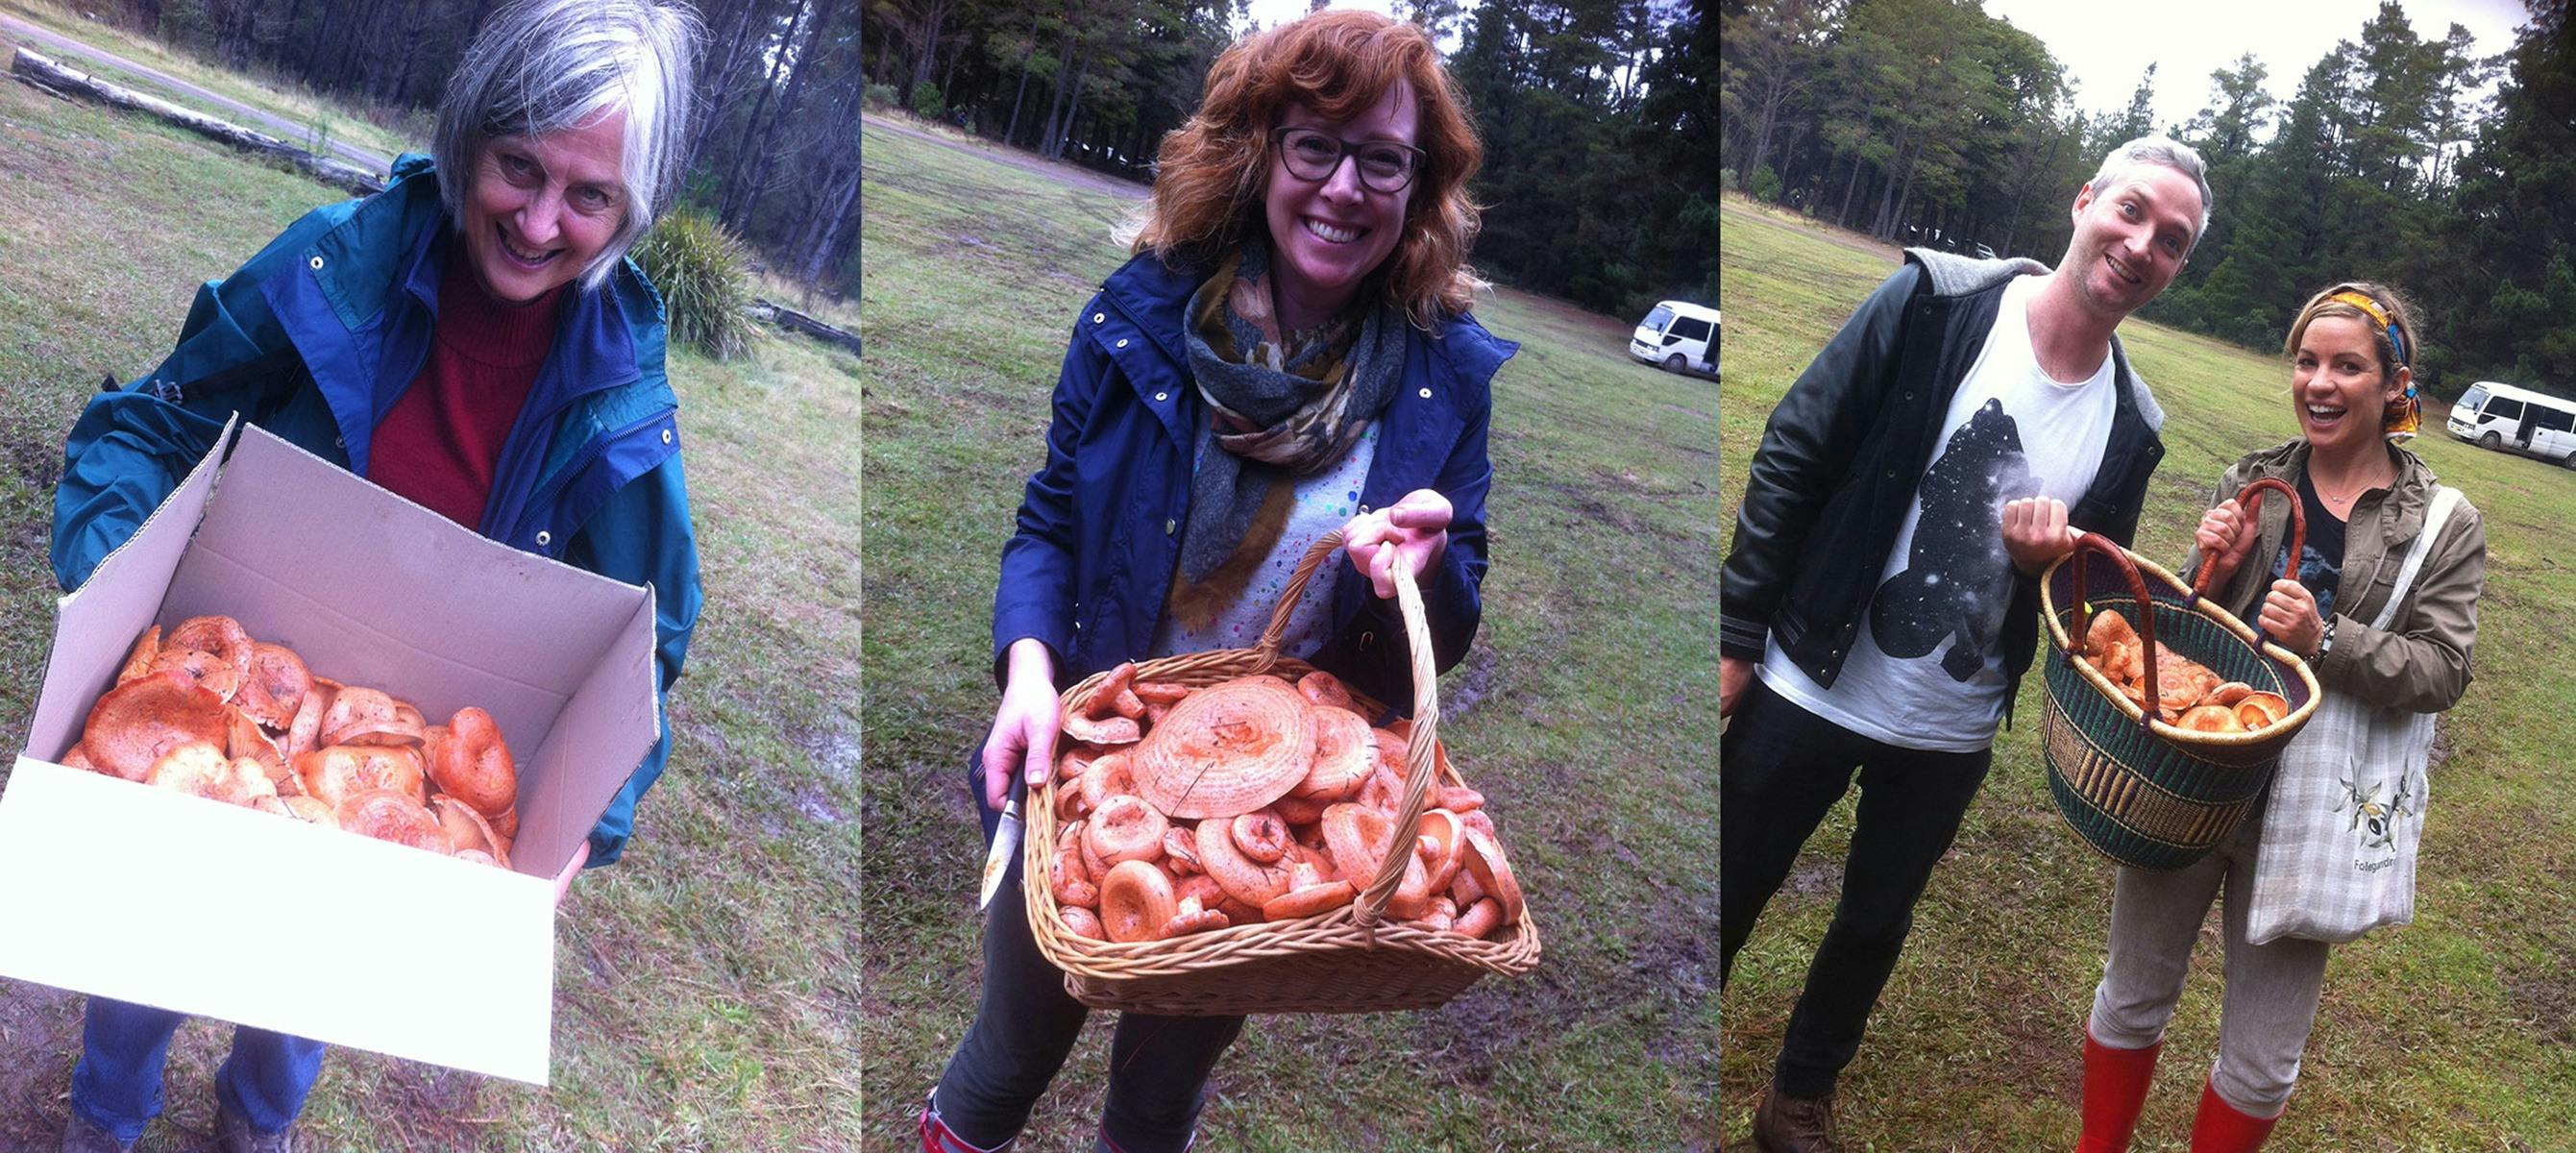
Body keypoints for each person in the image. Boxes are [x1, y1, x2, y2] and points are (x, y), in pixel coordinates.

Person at [47, 2, 702, 1149]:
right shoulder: (332, 270)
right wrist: (108, 590)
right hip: (236, 704)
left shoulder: (619, 405)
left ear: (629, 210)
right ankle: (105, 1114)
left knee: (311, 983)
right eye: (518, 169)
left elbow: (644, 647)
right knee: (149, 931)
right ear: (471, 136)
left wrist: (591, 822)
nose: (542, 223)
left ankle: (255, 1125)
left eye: (589, 197)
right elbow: (152, 425)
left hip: (388, 774)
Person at [917, 10, 1513, 1152]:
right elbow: (1047, 522)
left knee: (1159, 1091)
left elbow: (1450, 606)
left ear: (1417, 184)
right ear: (1257, 151)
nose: (1344, 188)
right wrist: (1029, 673)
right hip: (1092, 764)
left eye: (1381, 159)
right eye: (1314, 147)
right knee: (1011, 1045)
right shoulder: (1140, 314)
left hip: (1273, 814)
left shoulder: (1442, 376)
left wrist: (1423, 582)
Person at [1718, 136, 2212, 1151]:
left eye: (2170, 242)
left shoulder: (2131, 425)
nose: (2139, 246)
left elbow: (2092, 611)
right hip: (1807, 677)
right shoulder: (1935, 304)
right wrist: (1735, 633)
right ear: (2083, 202)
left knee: (1871, 924)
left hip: (1947, 726)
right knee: (1730, 879)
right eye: (2128, 213)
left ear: (2173, 268)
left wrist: (2050, 572)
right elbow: (1794, 449)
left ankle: (1796, 1099)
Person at [2074, 283, 2484, 1151]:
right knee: (2131, 993)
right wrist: (2209, 567)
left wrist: (2327, 639)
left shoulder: (2444, 525)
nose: (2319, 383)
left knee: (2261, 1059)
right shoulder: (2255, 481)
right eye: (2306, 361)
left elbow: (2445, 669)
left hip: (2312, 811)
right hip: (2195, 775)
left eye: (2346, 365)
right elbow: (2184, 630)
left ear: (2391, 383)